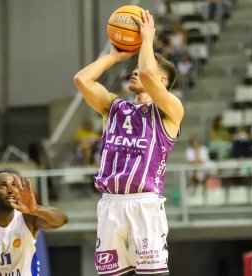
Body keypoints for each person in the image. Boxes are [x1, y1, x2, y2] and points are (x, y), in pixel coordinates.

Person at [74, 9, 183, 276]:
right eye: (133, 68)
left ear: (163, 81)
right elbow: (81, 80)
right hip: (110, 204)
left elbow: (146, 72)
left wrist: (147, 39)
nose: (135, 71)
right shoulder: (113, 107)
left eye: (143, 69)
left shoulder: (171, 111)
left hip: (145, 204)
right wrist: (113, 56)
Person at [0, 170, 68, 276]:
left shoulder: (27, 217)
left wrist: (36, 210)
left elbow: (62, 219)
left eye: (14, 185)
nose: (11, 190)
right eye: (3, 186)